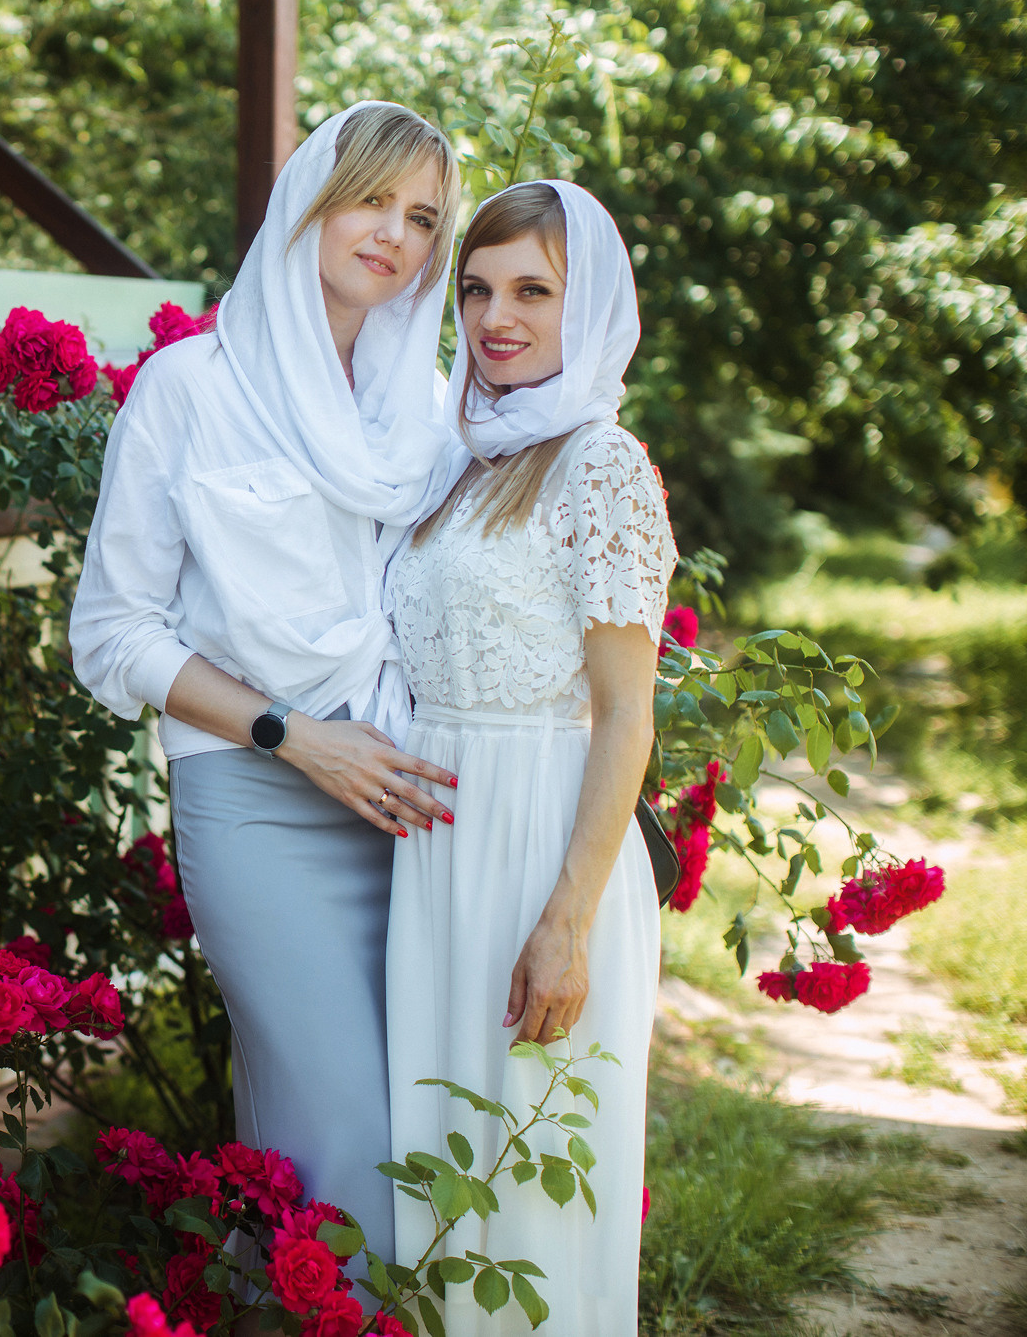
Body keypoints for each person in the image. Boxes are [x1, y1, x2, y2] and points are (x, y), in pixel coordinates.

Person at [70, 102, 469, 1266]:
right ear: (309, 199)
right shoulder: (191, 388)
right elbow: (111, 635)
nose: (392, 235)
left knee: (411, 1118)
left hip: (414, 804)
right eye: (371, 200)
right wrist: (294, 736)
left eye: (421, 219)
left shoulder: (433, 409)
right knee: (339, 1130)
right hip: (261, 802)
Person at [384, 180, 671, 1330]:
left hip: (544, 847)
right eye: (476, 289)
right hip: (436, 851)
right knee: (438, 1164)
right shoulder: (461, 456)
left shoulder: (599, 464)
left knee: (532, 1192)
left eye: (533, 291)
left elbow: (624, 716)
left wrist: (566, 920)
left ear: (586, 301)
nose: (496, 317)